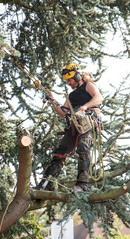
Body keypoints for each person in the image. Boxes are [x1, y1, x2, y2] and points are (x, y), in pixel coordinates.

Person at [33, 63, 103, 192]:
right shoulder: (71, 96)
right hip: (75, 124)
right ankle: (46, 184)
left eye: (70, 79)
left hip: (89, 120)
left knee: (83, 147)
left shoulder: (88, 86)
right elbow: (62, 113)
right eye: (67, 80)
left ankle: (82, 184)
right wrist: (52, 101)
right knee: (60, 152)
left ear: (77, 76)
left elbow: (99, 98)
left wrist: (85, 106)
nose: (68, 83)